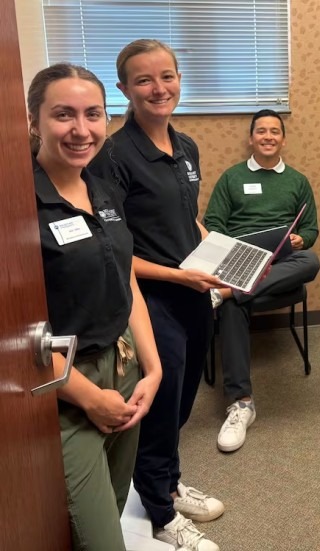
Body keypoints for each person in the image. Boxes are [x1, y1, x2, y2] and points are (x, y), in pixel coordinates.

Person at [90, 39, 222, 551]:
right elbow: (115, 250)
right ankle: (163, 513)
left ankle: (165, 481)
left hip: (193, 290)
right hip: (150, 300)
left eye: (167, 76)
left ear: (179, 80)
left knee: (183, 402)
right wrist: (180, 275)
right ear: (124, 88)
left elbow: (187, 216)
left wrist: (218, 252)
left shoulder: (185, 147)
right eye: (144, 80)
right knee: (161, 404)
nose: (158, 88)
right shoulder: (114, 158)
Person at [28, 63, 162, 550]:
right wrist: (88, 396)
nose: (81, 130)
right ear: (34, 120)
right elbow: (17, 332)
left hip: (122, 370)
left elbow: (125, 277)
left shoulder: (100, 188)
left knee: (112, 497)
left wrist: (152, 367)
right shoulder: (19, 205)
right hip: (64, 386)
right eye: (64, 114)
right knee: (98, 538)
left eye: (93, 114)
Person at [203, 108, 320, 452]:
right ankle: (241, 404)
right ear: (251, 138)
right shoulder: (231, 177)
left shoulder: (297, 181)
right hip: (238, 257)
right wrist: (234, 249)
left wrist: (301, 240)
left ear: (283, 139)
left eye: (275, 131)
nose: (268, 136)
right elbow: (213, 223)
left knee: (310, 261)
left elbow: (310, 229)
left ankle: (224, 292)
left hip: (281, 260)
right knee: (234, 307)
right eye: (261, 131)